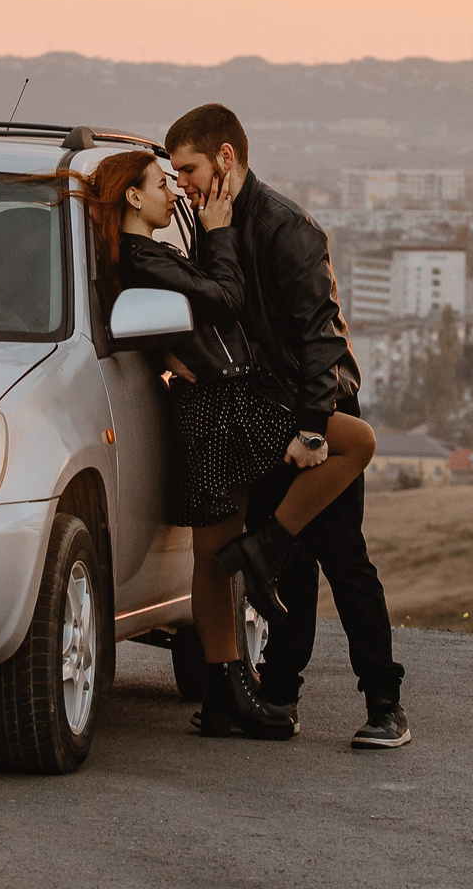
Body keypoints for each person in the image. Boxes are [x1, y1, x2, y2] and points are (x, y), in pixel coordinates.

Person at [163, 103, 408, 750]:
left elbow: (323, 336)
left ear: (224, 158)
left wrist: (311, 430)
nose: (181, 182)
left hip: (315, 414)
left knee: (344, 560)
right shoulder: (212, 221)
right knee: (288, 567)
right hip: (263, 416)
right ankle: (277, 696)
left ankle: (385, 703)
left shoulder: (287, 227)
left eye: (187, 168)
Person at [84, 148, 296, 738]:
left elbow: (194, 310)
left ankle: (231, 686)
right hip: (219, 405)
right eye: (161, 183)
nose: (173, 192)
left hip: (225, 396)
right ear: (132, 196)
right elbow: (226, 300)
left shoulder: (156, 250)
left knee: (215, 553)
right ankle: (260, 567)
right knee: (216, 554)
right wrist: (222, 233)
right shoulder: (142, 258)